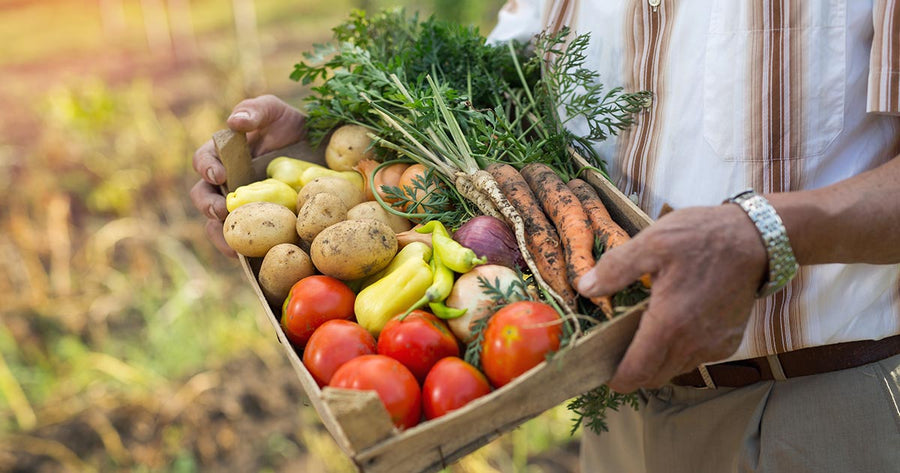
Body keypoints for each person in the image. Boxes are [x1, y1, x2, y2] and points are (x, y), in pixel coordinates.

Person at [191, 1, 900, 471]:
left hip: (813, 413)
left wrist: (762, 233)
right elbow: (498, 75)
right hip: (611, 397)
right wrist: (327, 142)